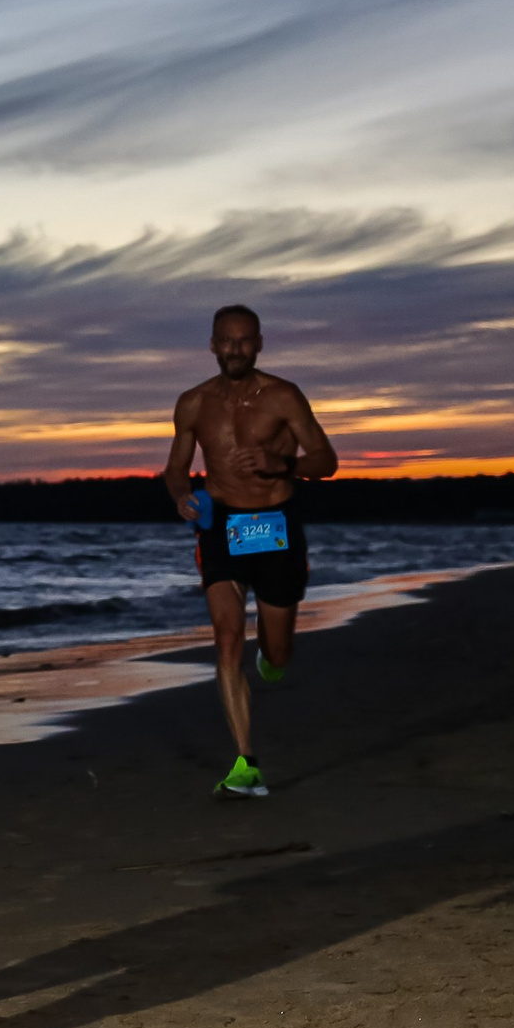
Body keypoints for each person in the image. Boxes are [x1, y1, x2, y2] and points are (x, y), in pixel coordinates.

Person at [162, 304, 337, 798]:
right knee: (225, 638)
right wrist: (180, 494)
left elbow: (326, 461)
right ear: (212, 344)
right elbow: (175, 466)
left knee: (276, 651)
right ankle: (246, 763)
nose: (234, 349)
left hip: (276, 526)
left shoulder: (283, 396)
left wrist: (280, 461)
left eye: (244, 341)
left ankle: (274, 657)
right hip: (221, 526)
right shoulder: (192, 403)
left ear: (259, 343)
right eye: (226, 340)